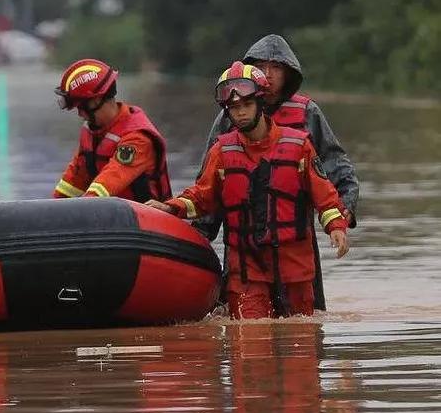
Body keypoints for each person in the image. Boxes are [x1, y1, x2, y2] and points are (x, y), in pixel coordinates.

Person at [147, 62, 350, 319]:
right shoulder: (221, 152)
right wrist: (169, 206)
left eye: (246, 105)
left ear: (261, 103)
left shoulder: (299, 146)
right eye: (234, 108)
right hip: (246, 270)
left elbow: (324, 194)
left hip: (295, 269)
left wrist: (337, 227)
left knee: (301, 348)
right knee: (250, 347)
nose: (240, 113)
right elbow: (202, 196)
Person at [203, 34, 359, 225]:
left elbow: (335, 163)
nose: (267, 74)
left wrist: (345, 207)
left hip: (294, 229)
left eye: (276, 67)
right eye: (260, 67)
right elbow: (208, 183)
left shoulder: (307, 112)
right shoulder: (232, 114)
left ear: (288, 74)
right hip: (243, 230)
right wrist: (203, 232)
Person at [52, 58, 171, 202]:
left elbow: (107, 184)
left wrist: (81, 209)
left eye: (82, 107)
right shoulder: (91, 132)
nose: (80, 114)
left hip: (147, 221)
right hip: (112, 218)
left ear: (96, 100)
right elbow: (73, 180)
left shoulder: (137, 138)